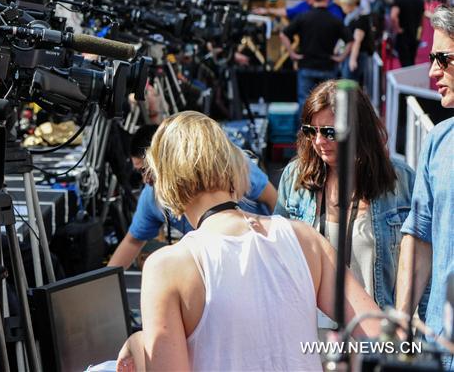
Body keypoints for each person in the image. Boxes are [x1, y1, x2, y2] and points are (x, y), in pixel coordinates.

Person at [116, 111, 381, 372]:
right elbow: (382, 337)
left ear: (166, 181)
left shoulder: (166, 268)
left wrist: (138, 345)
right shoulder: (304, 239)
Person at [273, 80, 416, 311]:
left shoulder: (401, 180)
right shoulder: (295, 176)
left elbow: (422, 264)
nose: (319, 142)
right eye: (311, 131)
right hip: (311, 332)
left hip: (375, 333)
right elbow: (277, 254)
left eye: (330, 132)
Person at [107, 124, 278, 270]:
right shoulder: (152, 197)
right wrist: (107, 284)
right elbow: (132, 242)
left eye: (147, 170)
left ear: (166, 159)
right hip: (215, 262)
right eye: (140, 173)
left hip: (259, 252)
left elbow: (274, 200)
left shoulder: (229, 167)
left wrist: (281, 250)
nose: (146, 180)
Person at [395, 5, 454, 363]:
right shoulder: (438, 140)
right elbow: (419, 235)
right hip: (438, 344)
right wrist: (402, 321)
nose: (432, 71)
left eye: (442, 58)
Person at [280, 0, 351, 106]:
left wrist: (292, 53)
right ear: (327, 0)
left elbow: (283, 35)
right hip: (327, 66)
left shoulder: (303, 17)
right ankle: (324, 125)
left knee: (305, 103)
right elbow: (350, 40)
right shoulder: (334, 20)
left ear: (312, 0)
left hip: (306, 65)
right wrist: (341, 58)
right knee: (327, 104)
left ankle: (306, 124)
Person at [338, 0, 375, 85]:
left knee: (349, 82)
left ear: (351, 5)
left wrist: (353, 59)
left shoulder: (360, 19)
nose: (342, 7)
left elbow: (357, 41)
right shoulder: (351, 17)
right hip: (352, 54)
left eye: (343, 5)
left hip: (358, 54)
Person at [391, 0, 425, 67]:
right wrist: (420, 33)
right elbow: (422, 19)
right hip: (414, 33)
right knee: (412, 59)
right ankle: (412, 79)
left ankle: (407, 80)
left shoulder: (399, 0)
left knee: (405, 61)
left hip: (403, 34)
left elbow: (393, 16)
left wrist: (397, 29)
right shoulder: (419, 1)